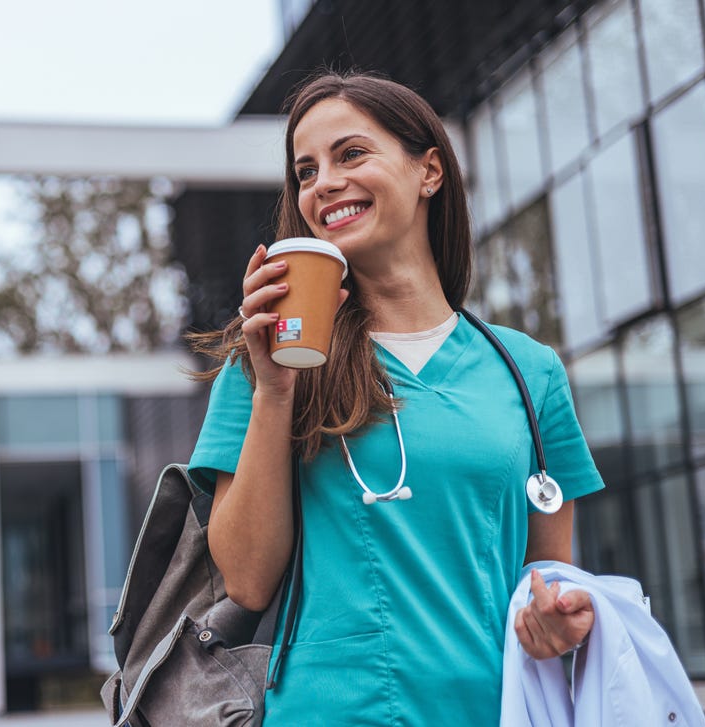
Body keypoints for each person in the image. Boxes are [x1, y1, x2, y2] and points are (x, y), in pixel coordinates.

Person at [186, 71, 604, 725]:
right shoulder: (272, 359)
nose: (322, 182)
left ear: (428, 171)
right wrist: (274, 391)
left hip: (492, 710)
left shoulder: (531, 372)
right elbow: (243, 578)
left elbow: (548, 582)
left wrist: (558, 620)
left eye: (350, 154)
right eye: (305, 170)